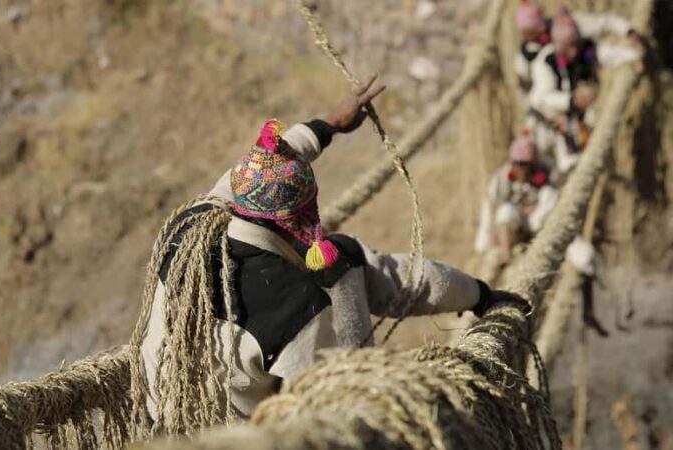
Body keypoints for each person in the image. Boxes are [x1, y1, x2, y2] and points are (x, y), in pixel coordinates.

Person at [131, 75, 524, 436]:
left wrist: (328, 124)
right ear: (299, 216)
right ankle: (472, 295)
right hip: (243, 441)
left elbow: (255, 169)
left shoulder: (188, 227)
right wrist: (478, 295)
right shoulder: (294, 307)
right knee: (345, 264)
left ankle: (470, 294)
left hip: (160, 426)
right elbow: (334, 400)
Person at [526, 8, 642, 174]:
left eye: (575, 45)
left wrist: (635, 56)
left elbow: (610, 53)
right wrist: (571, 100)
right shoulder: (545, 62)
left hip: (580, 119)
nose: (574, 52)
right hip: (548, 121)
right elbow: (543, 98)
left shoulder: (586, 50)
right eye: (569, 47)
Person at [514, 1, 640, 94]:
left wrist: (629, 32)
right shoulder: (529, 54)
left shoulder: (568, 25)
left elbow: (605, 23)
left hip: (586, 83)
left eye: (529, 31)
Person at [475, 135, 559, 264]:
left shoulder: (546, 181)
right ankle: (505, 254)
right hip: (508, 229)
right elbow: (489, 209)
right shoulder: (500, 180)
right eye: (518, 164)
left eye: (526, 165)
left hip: (533, 228)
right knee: (505, 211)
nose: (522, 170)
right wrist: (482, 245)